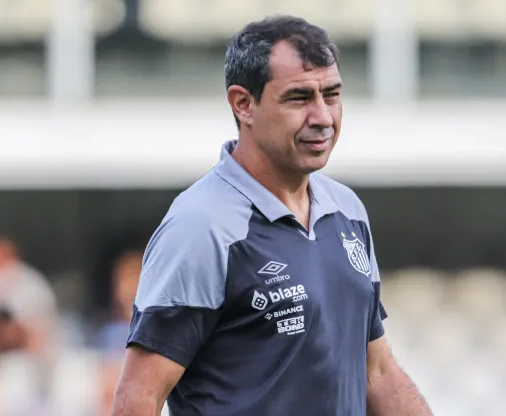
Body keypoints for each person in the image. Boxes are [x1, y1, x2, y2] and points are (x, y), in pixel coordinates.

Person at [111, 15, 433, 416]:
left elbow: (377, 372)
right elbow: (137, 398)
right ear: (243, 104)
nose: (322, 118)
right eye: (299, 98)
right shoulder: (201, 227)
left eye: (331, 95)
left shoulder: (346, 210)